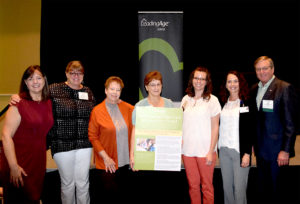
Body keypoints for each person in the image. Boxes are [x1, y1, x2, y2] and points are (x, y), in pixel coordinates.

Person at [10, 61, 96, 204]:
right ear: (66, 73)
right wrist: (18, 96)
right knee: (68, 184)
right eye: (72, 72)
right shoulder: (55, 89)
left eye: (79, 73)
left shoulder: (88, 91)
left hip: (84, 144)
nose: (75, 75)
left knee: (83, 182)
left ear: (83, 75)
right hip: (62, 145)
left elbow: (95, 114)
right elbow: (36, 93)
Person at [1, 65, 54, 203]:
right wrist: (13, 166)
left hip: (37, 160)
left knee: (33, 198)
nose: (35, 82)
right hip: (18, 160)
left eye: (38, 78)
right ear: (25, 82)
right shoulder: (18, 103)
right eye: (30, 79)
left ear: (44, 80)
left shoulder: (47, 102)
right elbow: (6, 136)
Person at [250, 56, 297, 202]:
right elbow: (255, 120)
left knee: (278, 191)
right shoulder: (254, 89)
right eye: (258, 69)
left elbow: (291, 123)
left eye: (265, 68)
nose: (262, 72)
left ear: (272, 69)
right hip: (261, 152)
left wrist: (286, 150)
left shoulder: (284, 88)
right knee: (263, 191)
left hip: (278, 153)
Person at [88, 76, 134, 203]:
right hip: (107, 163)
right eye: (112, 89)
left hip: (125, 161)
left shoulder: (128, 108)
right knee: (109, 197)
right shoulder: (97, 111)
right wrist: (106, 158)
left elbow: (143, 117)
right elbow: (93, 136)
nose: (115, 92)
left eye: (118, 90)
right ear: (105, 90)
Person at [181, 66, 221, 204]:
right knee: (193, 186)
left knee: (207, 187)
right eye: (196, 78)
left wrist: (211, 151)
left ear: (206, 82)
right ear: (192, 80)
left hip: (205, 152)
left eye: (202, 79)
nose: (198, 81)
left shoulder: (213, 100)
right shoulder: (185, 99)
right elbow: (182, 124)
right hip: (187, 152)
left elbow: (216, 127)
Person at [218, 71, 253, 204]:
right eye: (229, 81)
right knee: (227, 189)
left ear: (241, 83)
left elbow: (250, 130)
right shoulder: (222, 102)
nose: (232, 84)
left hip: (240, 152)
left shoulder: (246, 101)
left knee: (239, 191)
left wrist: (247, 153)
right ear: (226, 84)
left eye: (235, 81)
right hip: (224, 151)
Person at [129, 70, 174, 170]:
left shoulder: (169, 104)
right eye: (152, 85)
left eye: (158, 84)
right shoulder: (140, 106)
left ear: (162, 86)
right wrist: (132, 155)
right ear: (146, 87)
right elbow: (134, 131)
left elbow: (174, 130)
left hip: (165, 153)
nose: (156, 88)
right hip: (146, 152)